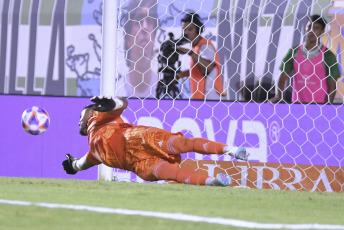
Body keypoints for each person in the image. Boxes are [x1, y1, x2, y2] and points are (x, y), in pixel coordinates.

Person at [62, 96, 249, 186]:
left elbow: (121, 105)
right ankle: (213, 182)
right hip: (138, 164)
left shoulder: (99, 117)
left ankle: (231, 150)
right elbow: (82, 163)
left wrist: (109, 102)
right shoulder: (95, 152)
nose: (79, 120)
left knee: (183, 144)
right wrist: (73, 166)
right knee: (172, 173)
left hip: (142, 139)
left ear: (91, 110)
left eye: (81, 115)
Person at [269, 15, 341, 104]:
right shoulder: (293, 52)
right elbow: (283, 77)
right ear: (304, 29)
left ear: (322, 32)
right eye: (309, 26)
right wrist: (279, 96)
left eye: (316, 28)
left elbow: (332, 85)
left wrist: (326, 107)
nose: (311, 31)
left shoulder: (328, 56)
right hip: (297, 105)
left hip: (318, 107)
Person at [176, 13, 226, 100]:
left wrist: (190, 52)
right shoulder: (195, 47)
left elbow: (209, 67)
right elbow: (197, 69)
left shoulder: (205, 46)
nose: (186, 32)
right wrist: (179, 75)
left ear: (198, 29)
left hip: (210, 98)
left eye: (190, 29)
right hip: (200, 98)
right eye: (184, 29)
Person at [116, 0, 159, 98]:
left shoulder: (163, 91)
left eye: (149, 21)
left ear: (154, 36)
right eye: (139, 21)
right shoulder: (117, 93)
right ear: (128, 39)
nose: (144, 27)